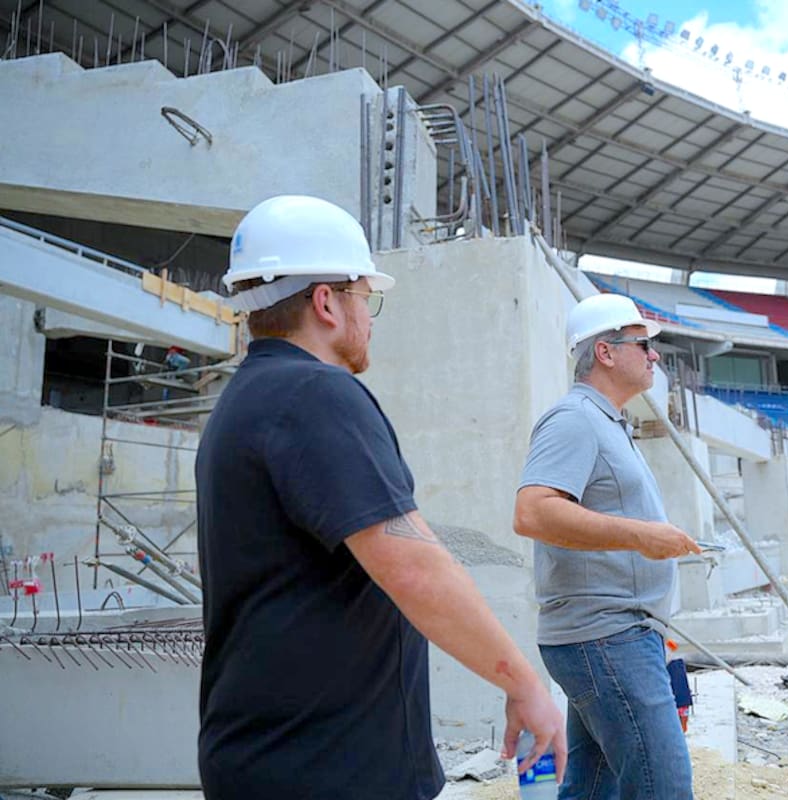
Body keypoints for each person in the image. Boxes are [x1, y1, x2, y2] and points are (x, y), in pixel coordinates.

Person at [195, 195, 565, 800]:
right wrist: (524, 684)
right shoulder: (314, 395)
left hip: (271, 757)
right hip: (326, 769)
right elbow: (414, 568)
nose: (369, 318)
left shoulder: (244, 403)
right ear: (326, 302)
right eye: (365, 298)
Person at [512, 293, 703, 799]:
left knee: (595, 788)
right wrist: (641, 535)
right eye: (642, 344)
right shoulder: (574, 419)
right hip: (606, 636)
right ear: (605, 352)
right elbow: (532, 512)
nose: (654, 355)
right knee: (663, 787)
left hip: (614, 634)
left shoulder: (608, 423)